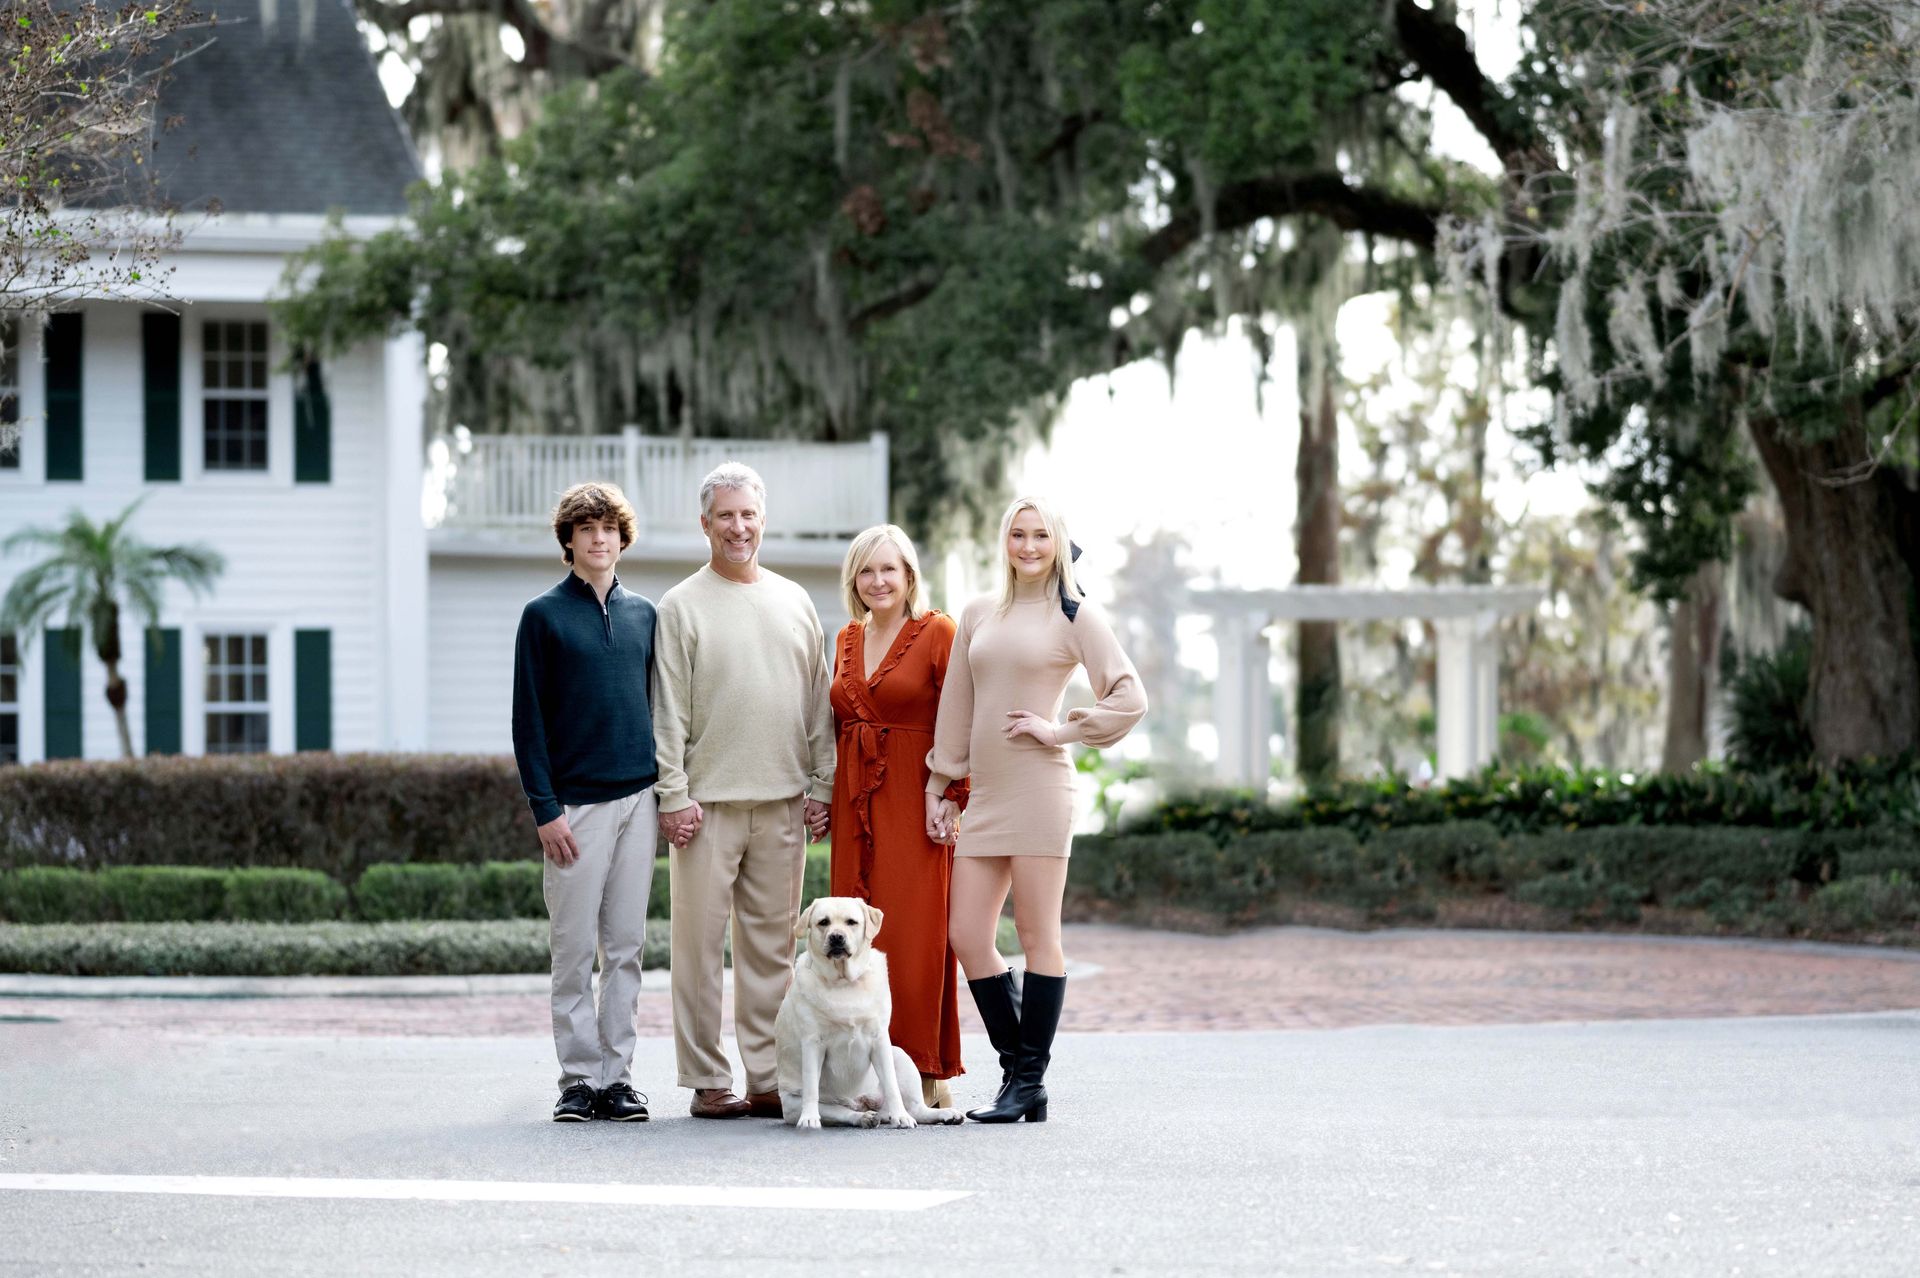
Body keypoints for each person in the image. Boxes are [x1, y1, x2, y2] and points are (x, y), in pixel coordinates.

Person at [927, 495, 1146, 1124]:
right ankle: (1022, 1068)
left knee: (1035, 936)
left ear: (1057, 544)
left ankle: (1024, 1082)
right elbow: (957, 706)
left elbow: (1129, 695)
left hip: (1042, 788)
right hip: (988, 795)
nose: (1028, 546)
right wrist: (939, 784)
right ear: (1005, 541)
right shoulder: (977, 613)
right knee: (966, 934)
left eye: (1040, 536)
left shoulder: (1074, 614)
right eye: (1018, 535)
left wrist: (1063, 731)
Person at [652, 462, 835, 1119]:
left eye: (749, 514)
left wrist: (822, 784)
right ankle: (706, 1079)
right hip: (706, 807)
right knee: (697, 952)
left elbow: (818, 702)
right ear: (705, 524)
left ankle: (766, 1076)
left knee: (771, 955)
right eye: (726, 516)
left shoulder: (794, 600)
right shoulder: (681, 605)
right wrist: (672, 793)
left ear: (763, 519)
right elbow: (667, 708)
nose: (739, 527)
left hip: (784, 802)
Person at [510, 482, 659, 1123]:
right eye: (586, 529)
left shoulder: (644, 615)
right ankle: (578, 1078)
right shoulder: (542, 616)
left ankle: (617, 1077)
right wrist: (546, 809)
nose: (599, 539)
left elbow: (662, 709)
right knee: (574, 950)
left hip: (640, 801)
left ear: (621, 538)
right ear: (569, 541)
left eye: (609, 529)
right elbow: (528, 720)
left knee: (625, 946)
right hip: (575, 808)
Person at [827, 524, 970, 1109]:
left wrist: (952, 793)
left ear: (909, 575)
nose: (878, 581)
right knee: (851, 939)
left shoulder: (938, 632)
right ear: (853, 580)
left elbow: (964, 715)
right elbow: (834, 724)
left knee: (915, 935)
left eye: (889, 569)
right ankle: (858, 1079)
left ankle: (923, 1075)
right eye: (866, 570)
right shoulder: (846, 638)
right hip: (853, 802)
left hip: (917, 799)